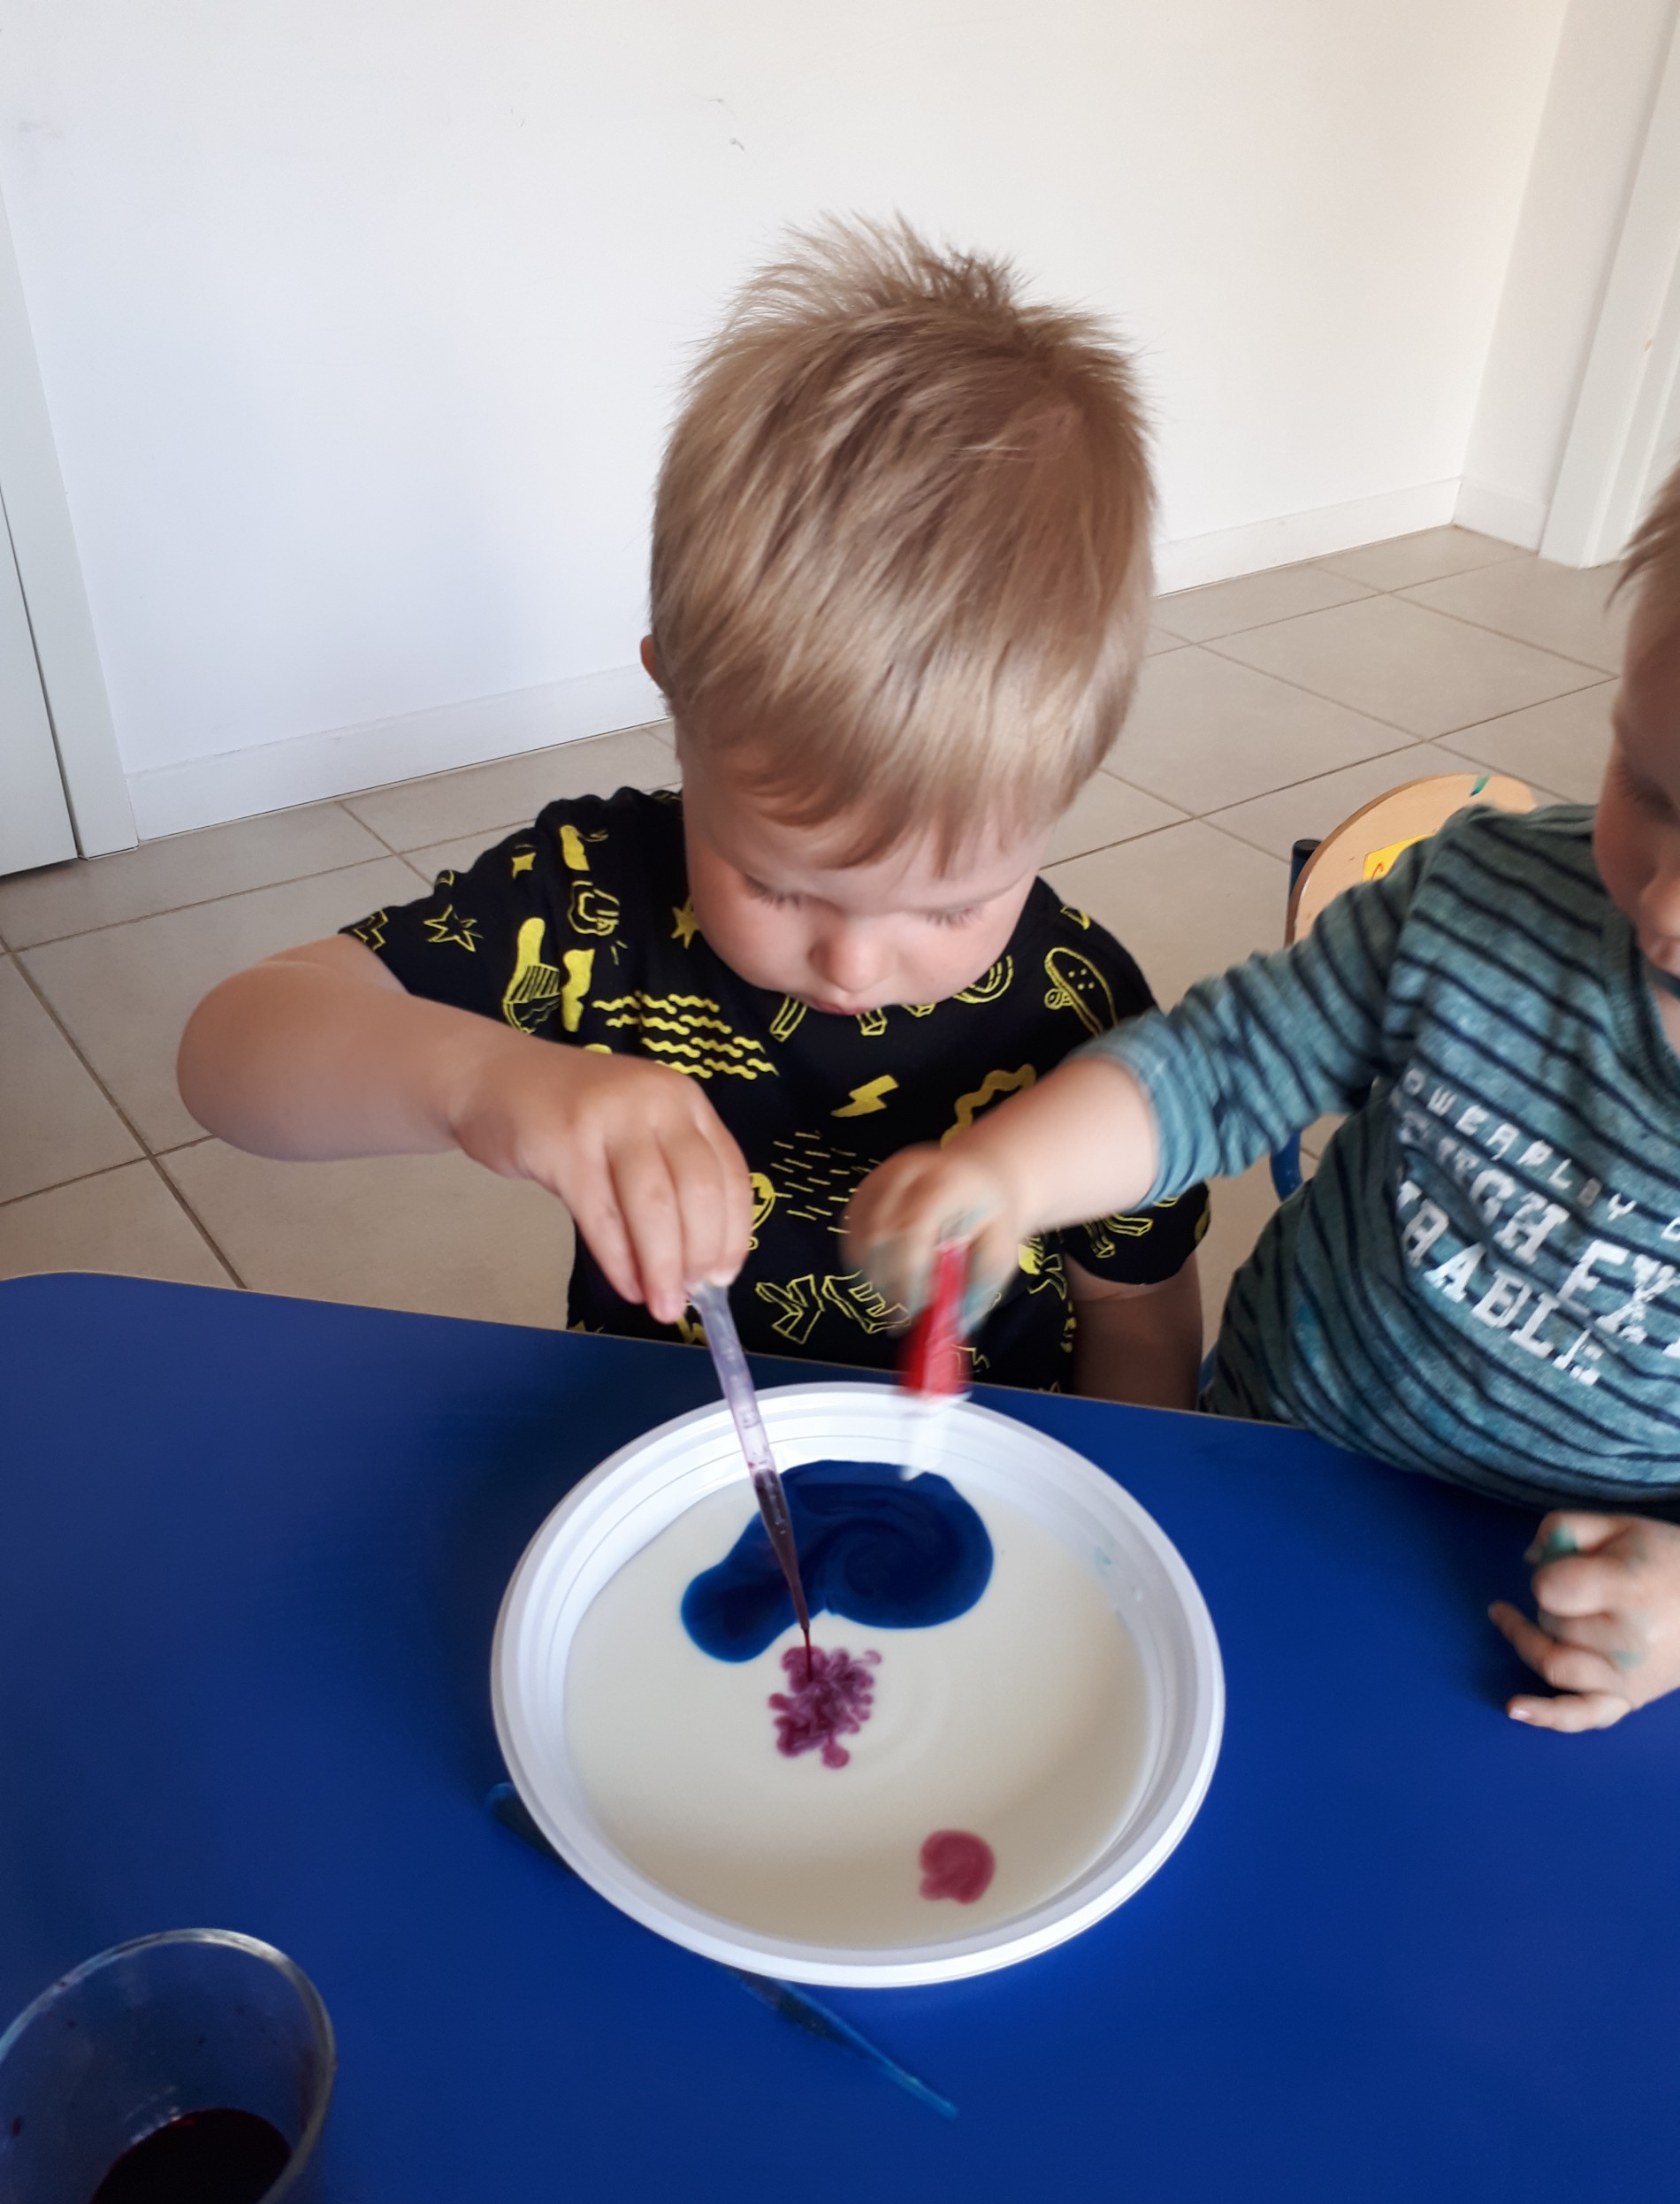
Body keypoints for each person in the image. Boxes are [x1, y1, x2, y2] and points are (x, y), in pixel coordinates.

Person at [178, 218, 1207, 1404]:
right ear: (676, 697)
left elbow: (1135, 1310)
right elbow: (231, 1052)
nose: (853, 962)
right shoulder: (593, 897)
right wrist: (482, 1081)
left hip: (984, 1467)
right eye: (775, 882)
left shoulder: (1082, 1010)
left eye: (952, 905)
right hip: (650, 1441)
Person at [846, 463, 1680, 1731]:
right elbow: (1222, 1064)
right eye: (1652, 791)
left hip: (1575, 1609)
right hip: (1275, 1444)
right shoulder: (1482, 899)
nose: (1666, 902)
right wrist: (1006, 1174)